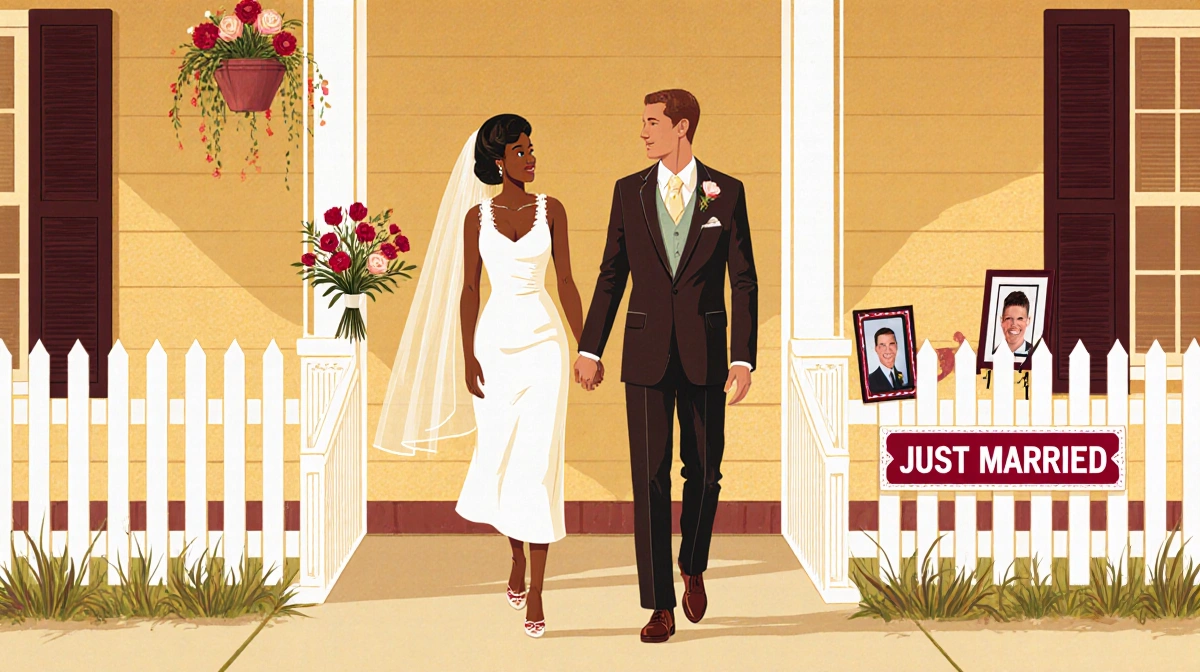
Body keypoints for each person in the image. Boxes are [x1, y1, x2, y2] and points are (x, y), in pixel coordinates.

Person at [373, 115, 590, 640]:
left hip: (544, 348)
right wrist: (468, 353)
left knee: (538, 462)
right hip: (493, 346)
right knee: (501, 456)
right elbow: (469, 289)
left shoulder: (553, 210)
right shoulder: (475, 218)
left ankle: (537, 588)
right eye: (521, 150)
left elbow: (565, 279)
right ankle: (514, 553)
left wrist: (589, 345)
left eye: (532, 148)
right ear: (499, 161)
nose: (532, 158)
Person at [574, 89, 758, 643]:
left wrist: (743, 356)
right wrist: (590, 347)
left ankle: (693, 562)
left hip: (706, 353)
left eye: (652, 122)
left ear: (682, 127)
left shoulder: (726, 193)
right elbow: (612, 273)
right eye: (642, 122)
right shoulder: (628, 191)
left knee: (704, 473)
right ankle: (658, 605)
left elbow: (743, 279)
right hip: (646, 353)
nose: (643, 131)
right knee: (648, 479)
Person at [867, 327, 911, 393]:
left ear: (896, 346)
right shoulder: (869, 381)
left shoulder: (904, 376)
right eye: (883, 345)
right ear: (876, 349)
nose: (888, 350)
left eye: (891, 344)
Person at [994, 290, 1033, 357]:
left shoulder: (1037, 355)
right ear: (1001, 320)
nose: (1014, 324)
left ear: (1028, 321)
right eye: (1008, 318)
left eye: (1020, 319)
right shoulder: (991, 355)